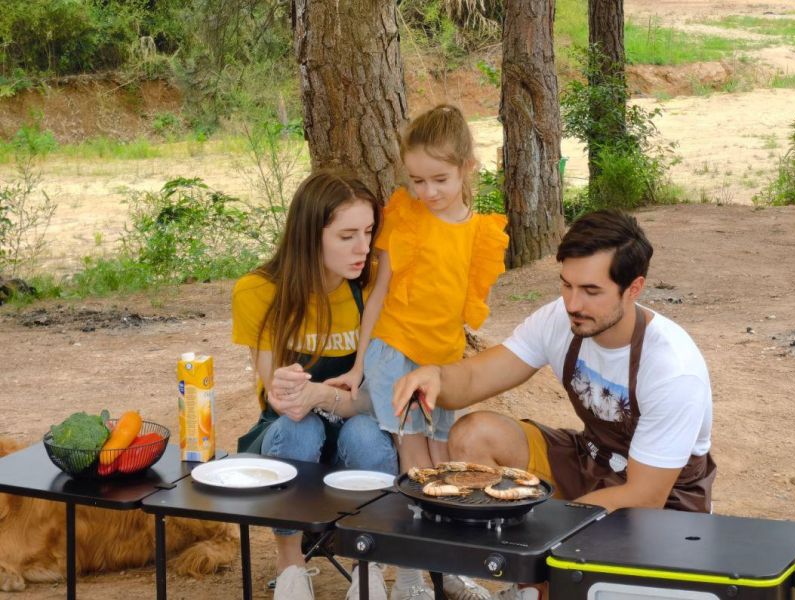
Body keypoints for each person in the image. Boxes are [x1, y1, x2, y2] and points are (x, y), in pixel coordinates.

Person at [391, 209, 716, 600]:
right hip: (590, 459)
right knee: (475, 434)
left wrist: (546, 530)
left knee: (579, 571)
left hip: (663, 504)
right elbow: (476, 377)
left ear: (634, 288)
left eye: (591, 291)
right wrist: (437, 377)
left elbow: (644, 495)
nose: (572, 303)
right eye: (566, 285)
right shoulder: (561, 320)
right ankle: (529, 587)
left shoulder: (671, 369)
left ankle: (544, 582)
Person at [328, 104, 509, 600]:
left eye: (439, 179)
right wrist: (361, 364)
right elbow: (379, 293)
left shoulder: (480, 231)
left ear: (468, 168)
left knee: (447, 461)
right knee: (414, 460)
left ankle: (447, 566)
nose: (426, 192)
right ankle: (410, 572)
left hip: (444, 363)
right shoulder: (405, 214)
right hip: (396, 351)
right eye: (416, 180)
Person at [232, 171, 398, 600]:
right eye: (347, 236)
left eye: (367, 232)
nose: (363, 248)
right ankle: (291, 567)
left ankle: (369, 565)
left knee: (365, 433)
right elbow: (274, 394)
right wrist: (284, 388)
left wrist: (324, 394)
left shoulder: (372, 289)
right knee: (299, 427)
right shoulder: (258, 291)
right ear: (310, 235)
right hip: (288, 431)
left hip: (357, 422)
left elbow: (377, 401)